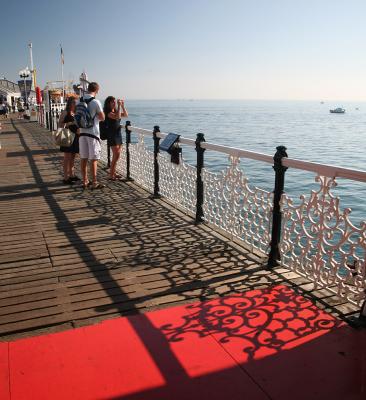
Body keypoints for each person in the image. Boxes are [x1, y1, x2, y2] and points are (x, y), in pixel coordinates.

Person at [78, 82, 105, 190]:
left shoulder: (79, 100)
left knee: (83, 158)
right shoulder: (95, 102)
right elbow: (102, 117)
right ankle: (94, 182)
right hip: (93, 133)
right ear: (97, 90)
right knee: (93, 158)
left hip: (82, 132)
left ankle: (84, 181)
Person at [103, 96, 128, 180]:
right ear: (108, 103)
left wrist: (122, 106)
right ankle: (111, 175)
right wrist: (119, 105)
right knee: (116, 155)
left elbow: (125, 115)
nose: (114, 103)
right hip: (112, 135)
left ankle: (113, 173)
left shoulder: (116, 111)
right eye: (112, 102)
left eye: (114, 102)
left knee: (116, 156)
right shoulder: (108, 112)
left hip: (118, 134)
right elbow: (117, 117)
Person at [58, 97, 80, 184]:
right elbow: (60, 124)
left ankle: (72, 175)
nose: (75, 104)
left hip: (75, 136)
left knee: (73, 156)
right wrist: (69, 123)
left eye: (76, 102)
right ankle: (66, 177)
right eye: (73, 102)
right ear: (69, 103)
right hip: (67, 135)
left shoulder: (76, 113)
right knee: (66, 157)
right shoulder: (65, 112)